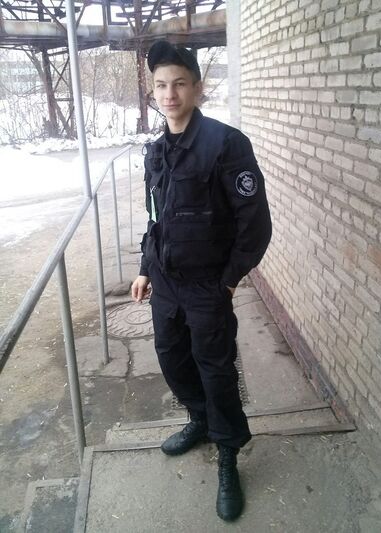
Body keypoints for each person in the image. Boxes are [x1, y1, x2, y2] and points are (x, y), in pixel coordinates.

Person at [132, 40, 272, 522]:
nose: (169, 94)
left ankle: (228, 453)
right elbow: (156, 218)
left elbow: (255, 224)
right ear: (153, 92)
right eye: (161, 86)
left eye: (179, 84)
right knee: (172, 359)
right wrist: (145, 267)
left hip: (208, 286)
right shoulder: (156, 151)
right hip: (166, 284)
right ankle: (200, 420)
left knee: (216, 371)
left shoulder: (225, 144)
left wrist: (229, 281)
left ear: (197, 88)